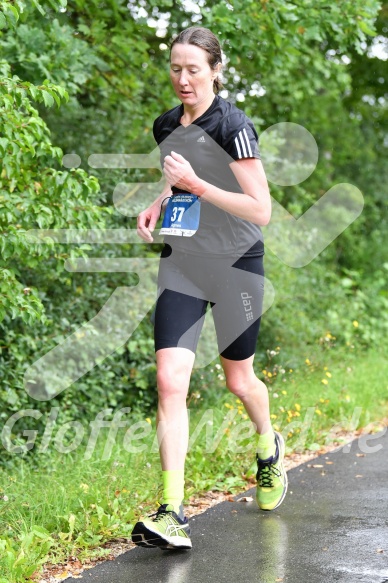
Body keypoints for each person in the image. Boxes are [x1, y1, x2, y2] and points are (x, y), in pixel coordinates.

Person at [131, 26, 287, 551]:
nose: (183, 79)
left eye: (193, 69)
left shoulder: (234, 125)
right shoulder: (166, 124)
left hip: (237, 264)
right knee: (170, 381)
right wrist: (160, 198)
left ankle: (268, 447)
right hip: (184, 261)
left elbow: (260, 210)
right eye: (175, 68)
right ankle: (172, 510)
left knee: (239, 381)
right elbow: (180, 176)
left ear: (216, 70)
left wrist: (197, 185)